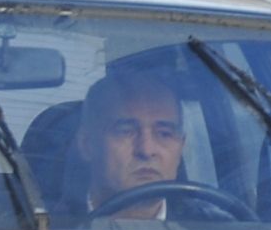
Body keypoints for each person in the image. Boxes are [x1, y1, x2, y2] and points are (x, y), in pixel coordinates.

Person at [73, 66, 188, 219]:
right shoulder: (50, 227)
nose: (146, 150)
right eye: (125, 131)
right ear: (86, 145)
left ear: (181, 148)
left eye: (164, 134)